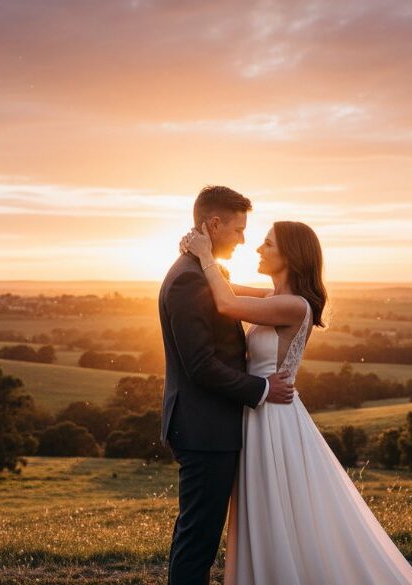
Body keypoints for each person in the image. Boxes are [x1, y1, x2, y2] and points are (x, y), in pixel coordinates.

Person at [180, 219, 412, 585]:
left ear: (291, 256)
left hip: (273, 418)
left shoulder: (294, 306)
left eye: (268, 244)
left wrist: (204, 255)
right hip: (260, 411)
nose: (258, 249)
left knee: (275, 506)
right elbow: (223, 287)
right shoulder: (274, 298)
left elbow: (226, 302)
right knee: (266, 507)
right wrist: (200, 258)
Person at [159, 185, 296, 585]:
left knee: (196, 532)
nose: (242, 240)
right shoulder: (189, 281)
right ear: (215, 224)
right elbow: (200, 366)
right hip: (204, 429)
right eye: (238, 230)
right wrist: (263, 389)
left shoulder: (204, 273)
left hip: (208, 426)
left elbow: (247, 298)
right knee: (198, 539)